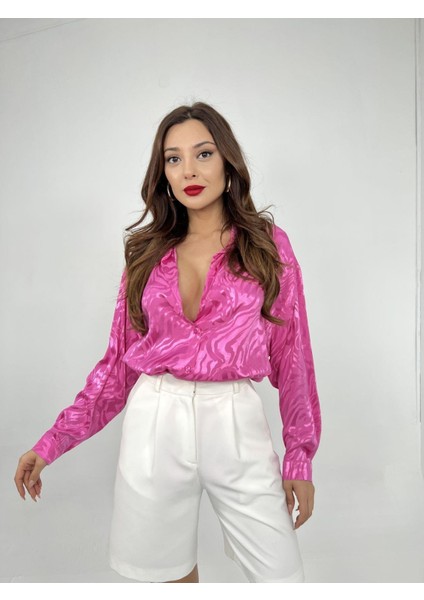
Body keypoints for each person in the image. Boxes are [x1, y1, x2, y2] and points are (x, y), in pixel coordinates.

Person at [14, 101, 321, 584]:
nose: (189, 170)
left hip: (235, 421)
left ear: (227, 161)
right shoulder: (146, 253)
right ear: (163, 173)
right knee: (166, 581)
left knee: (282, 580)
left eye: (203, 153)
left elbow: (293, 354)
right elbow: (117, 367)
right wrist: (52, 443)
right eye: (173, 159)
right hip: (155, 421)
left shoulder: (266, 244)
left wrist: (299, 455)